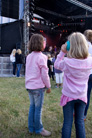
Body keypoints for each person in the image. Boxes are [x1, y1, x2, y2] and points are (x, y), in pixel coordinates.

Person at [54, 32, 92, 138]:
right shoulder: (90, 61)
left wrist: (62, 52)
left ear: (70, 46)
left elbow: (56, 65)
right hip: (82, 96)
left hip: (68, 96)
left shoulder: (67, 62)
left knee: (68, 122)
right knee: (80, 122)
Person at [25, 34, 51, 137]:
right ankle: (39, 129)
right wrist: (48, 86)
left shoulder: (29, 56)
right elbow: (45, 74)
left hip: (30, 87)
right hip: (38, 88)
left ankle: (31, 128)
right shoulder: (42, 57)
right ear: (41, 44)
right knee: (38, 109)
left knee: (32, 107)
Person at [84, 29, 92, 119]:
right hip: (91, 73)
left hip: (85, 73)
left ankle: (77, 112)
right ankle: (84, 115)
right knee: (88, 95)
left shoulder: (83, 46)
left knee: (81, 94)